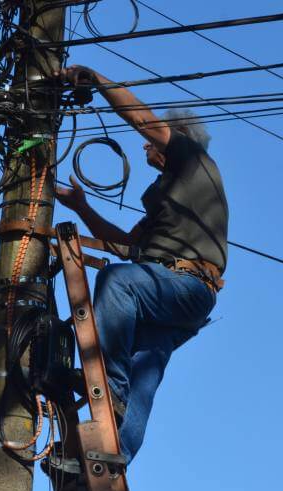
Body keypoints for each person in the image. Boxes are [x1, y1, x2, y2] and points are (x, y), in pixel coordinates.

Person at [54, 65, 229, 463]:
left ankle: (109, 392)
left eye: (152, 143)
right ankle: (117, 457)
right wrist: (82, 207)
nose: (145, 146)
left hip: (185, 285)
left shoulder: (192, 160)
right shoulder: (167, 201)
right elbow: (125, 246)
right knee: (143, 370)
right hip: (171, 293)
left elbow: (143, 120)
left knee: (119, 283)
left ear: (173, 141)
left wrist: (97, 81)